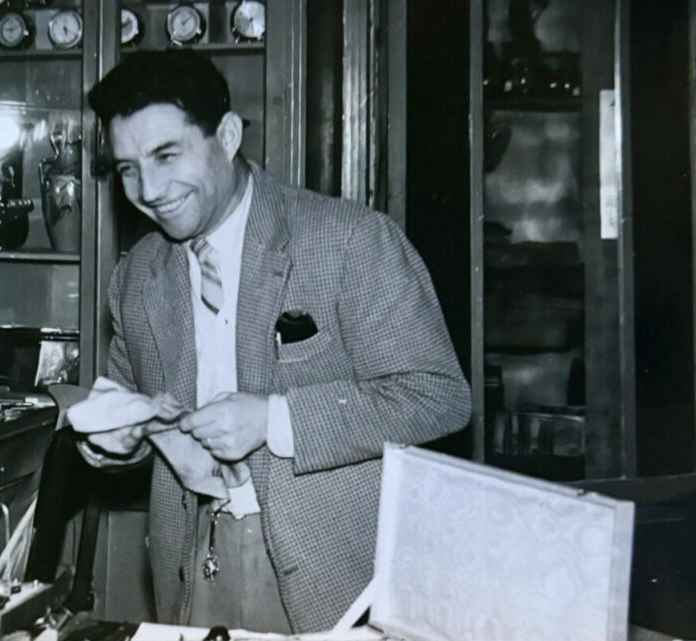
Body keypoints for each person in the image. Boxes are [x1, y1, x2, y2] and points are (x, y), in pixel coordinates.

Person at [79, 49, 471, 633]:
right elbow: (134, 411)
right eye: (127, 168)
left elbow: (438, 395)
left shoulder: (350, 239)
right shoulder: (138, 274)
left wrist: (275, 420)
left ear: (229, 136)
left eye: (166, 155)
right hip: (188, 568)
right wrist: (111, 441)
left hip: (334, 575)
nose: (149, 189)